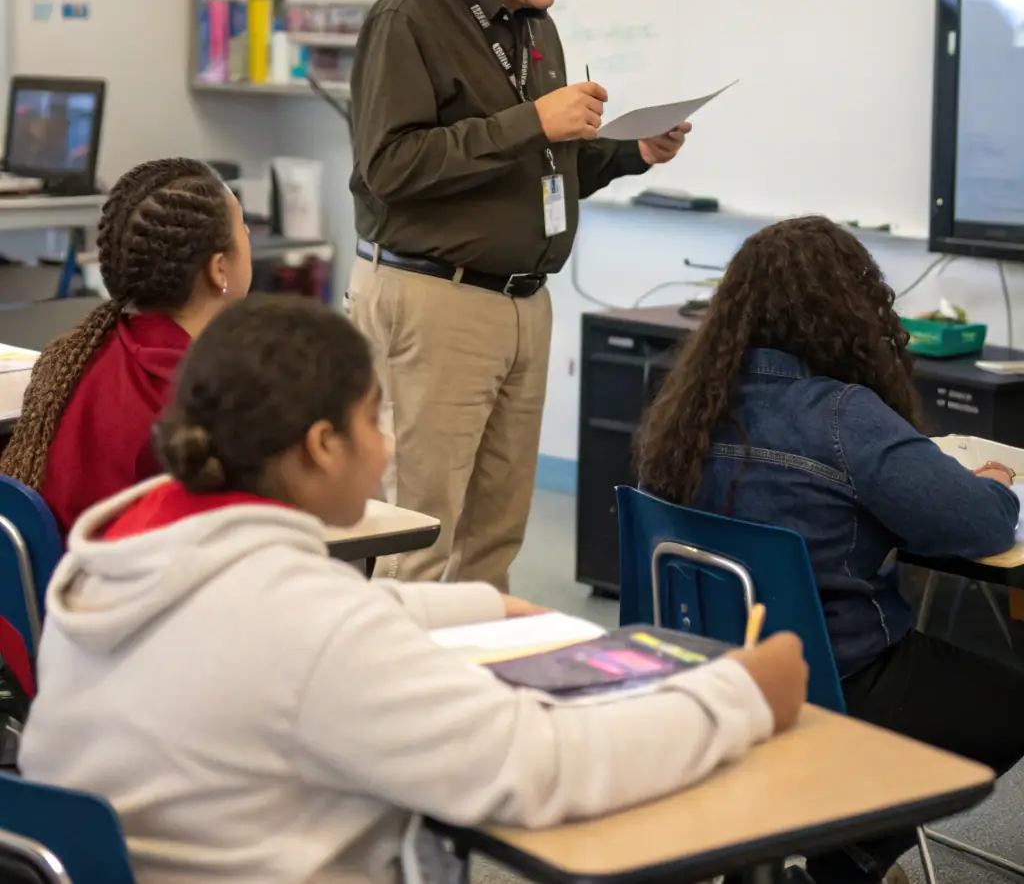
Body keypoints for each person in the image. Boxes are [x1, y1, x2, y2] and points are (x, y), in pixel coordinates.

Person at [20, 294, 807, 884]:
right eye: (373, 416)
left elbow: (313, 619)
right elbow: (540, 766)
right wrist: (740, 693)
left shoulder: (125, 557)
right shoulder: (308, 629)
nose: (386, 440)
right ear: (322, 445)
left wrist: (489, 604)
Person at [636, 215, 1024, 884]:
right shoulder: (845, 416)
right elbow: (981, 526)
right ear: (846, 307)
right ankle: (843, 862)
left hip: (703, 668)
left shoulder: (686, 410)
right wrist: (989, 487)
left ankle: (811, 857)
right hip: (834, 683)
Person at [349, 0, 690, 589]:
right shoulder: (411, 15)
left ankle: (473, 693)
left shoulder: (536, 26)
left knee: (494, 541)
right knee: (419, 536)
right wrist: (533, 122)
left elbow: (548, 167)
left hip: (523, 304)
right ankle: (399, 701)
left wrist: (635, 150)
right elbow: (390, 168)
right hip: (435, 298)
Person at [0, 157, 251, 533]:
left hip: (62, 583)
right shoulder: (201, 401)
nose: (249, 233)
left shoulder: (82, 353)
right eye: (243, 227)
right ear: (219, 270)